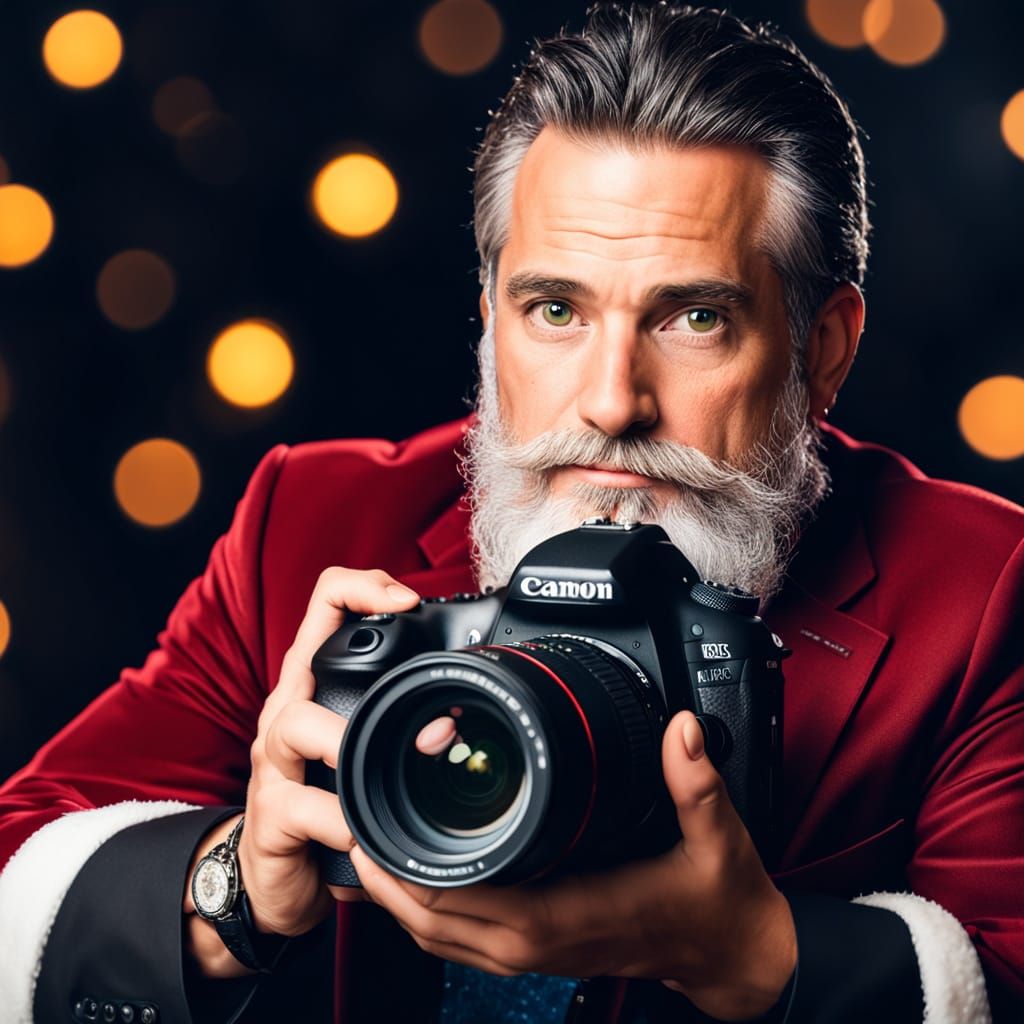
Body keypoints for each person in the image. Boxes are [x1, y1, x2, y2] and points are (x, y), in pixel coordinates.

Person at [1, 3, 1021, 1022]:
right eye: (555, 310)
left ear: (824, 350)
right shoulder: (315, 528)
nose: (612, 401)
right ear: (489, 321)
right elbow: (20, 868)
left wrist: (754, 955)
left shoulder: (977, 595)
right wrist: (233, 883)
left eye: (695, 317)